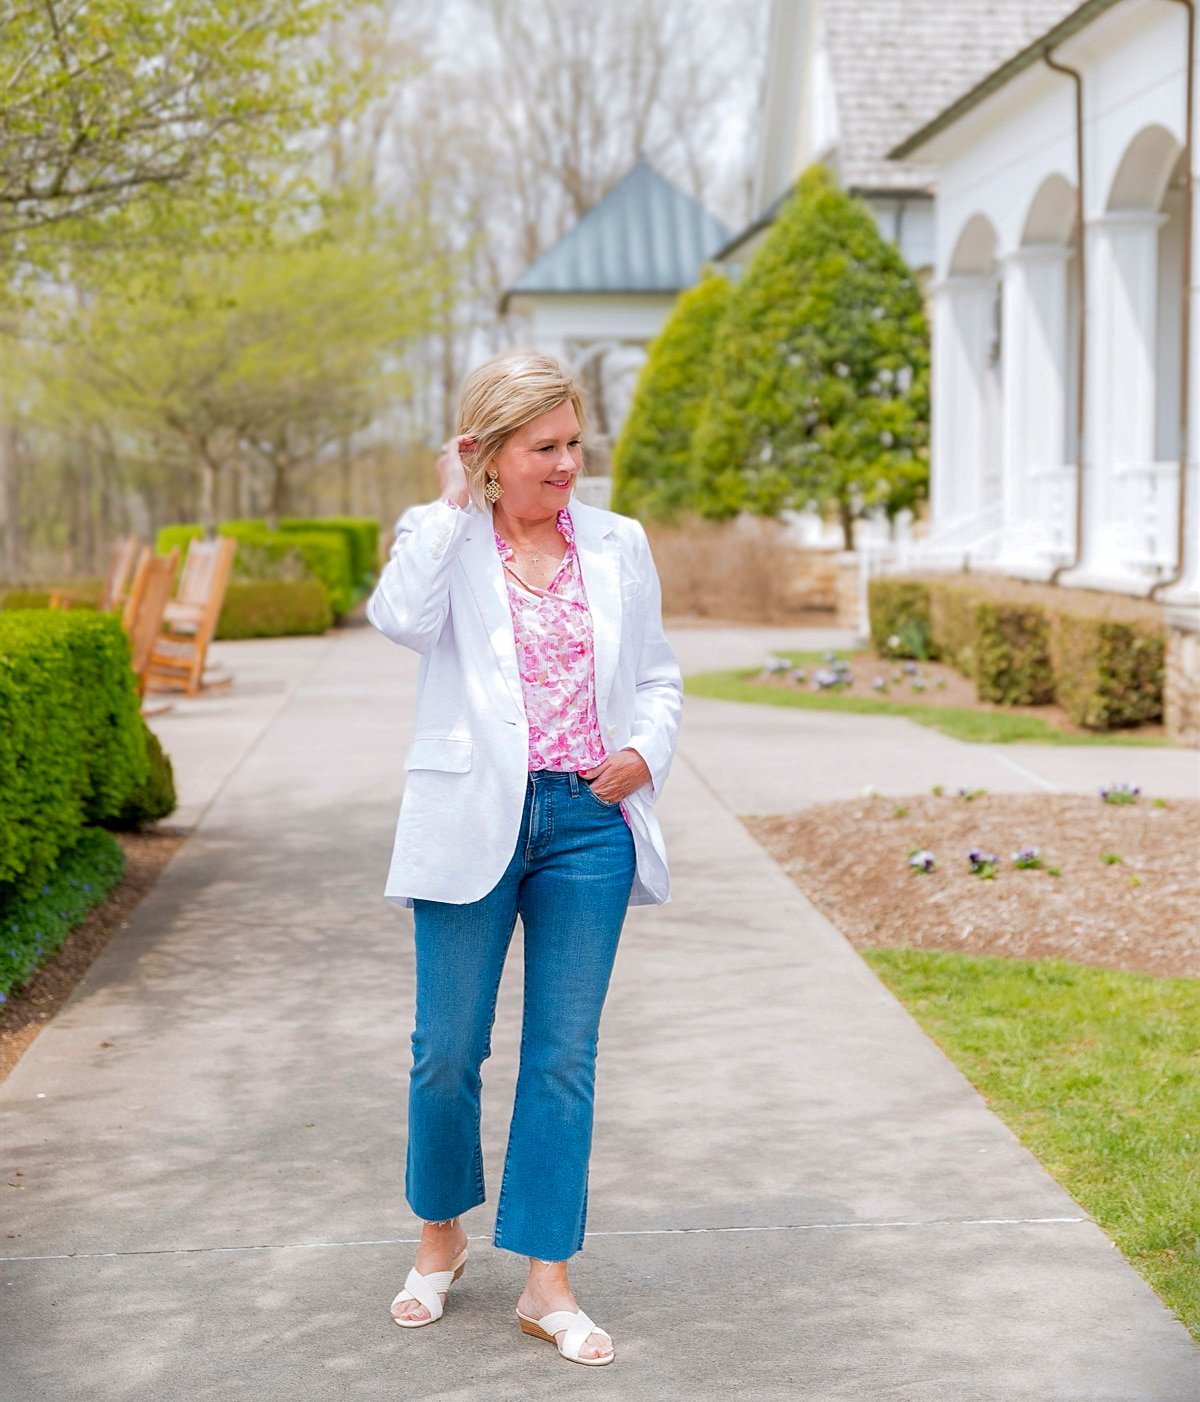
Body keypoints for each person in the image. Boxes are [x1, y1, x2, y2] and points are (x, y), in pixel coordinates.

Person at [365, 349, 682, 1366]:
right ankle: (441, 1236)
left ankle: (547, 1279)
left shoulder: (619, 543)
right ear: (490, 453)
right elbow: (398, 620)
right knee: (446, 1049)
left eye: (574, 443)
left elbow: (658, 675)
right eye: (543, 447)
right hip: (471, 818)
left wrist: (643, 752)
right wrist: (452, 502)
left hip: (588, 821)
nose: (567, 465)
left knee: (563, 1057)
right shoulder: (442, 535)